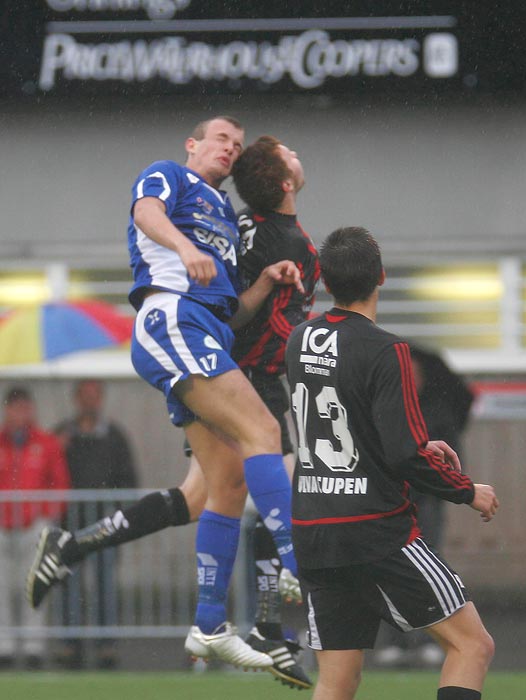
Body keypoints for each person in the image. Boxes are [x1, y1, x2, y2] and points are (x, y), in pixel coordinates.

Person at [26, 127, 316, 685]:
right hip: (173, 319)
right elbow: (145, 211)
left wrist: (261, 284)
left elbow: (232, 311)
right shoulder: (170, 174)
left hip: (208, 331)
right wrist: (183, 246)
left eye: (236, 143)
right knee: (262, 433)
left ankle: (209, 625)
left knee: (225, 482)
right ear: (192, 144)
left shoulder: (229, 218)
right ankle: (296, 577)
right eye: (221, 137)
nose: (229, 147)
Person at [285, 227, 499, 700]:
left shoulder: (300, 340)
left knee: (338, 679)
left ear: (322, 280)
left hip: (316, 528)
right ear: (381, 276)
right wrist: (467, 490)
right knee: (472, 646)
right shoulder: (387, 349)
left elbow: (350, 427)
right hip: (374, 529)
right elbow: (401, 453)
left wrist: (419, 445)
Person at [374, 347, 475, 668]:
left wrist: (456, 488)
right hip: (389, 504)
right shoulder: (385, 407)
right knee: (389, 571)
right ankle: (395, 640)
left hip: (425, 503)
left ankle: (429, 639)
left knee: (427, 571)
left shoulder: (439, 412)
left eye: (413, 374)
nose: (409, 380)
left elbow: (453, 461)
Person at [53, 379, 138, 670]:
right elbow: (51, 476)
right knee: (69, 584)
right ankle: (70, 644)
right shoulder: (62, 436)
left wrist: (117, 514)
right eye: (85, 396)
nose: (90, 402)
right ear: (76, 399)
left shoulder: (114, 436)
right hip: (70, 526)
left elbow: (129, 479)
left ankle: (106, 646)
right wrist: (58, 449)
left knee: (105, 585)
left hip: (105, 526)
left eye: (95, 396)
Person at [0, 386, 70, 669]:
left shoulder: (47, 442)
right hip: (3, 525)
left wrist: (47, 516)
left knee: (33, 585)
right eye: (14, 408)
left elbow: (60, 482)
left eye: (24, 407)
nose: (20, 413)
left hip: (33, 525)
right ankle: (4, 644)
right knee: (3, 587)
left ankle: (33, 646)